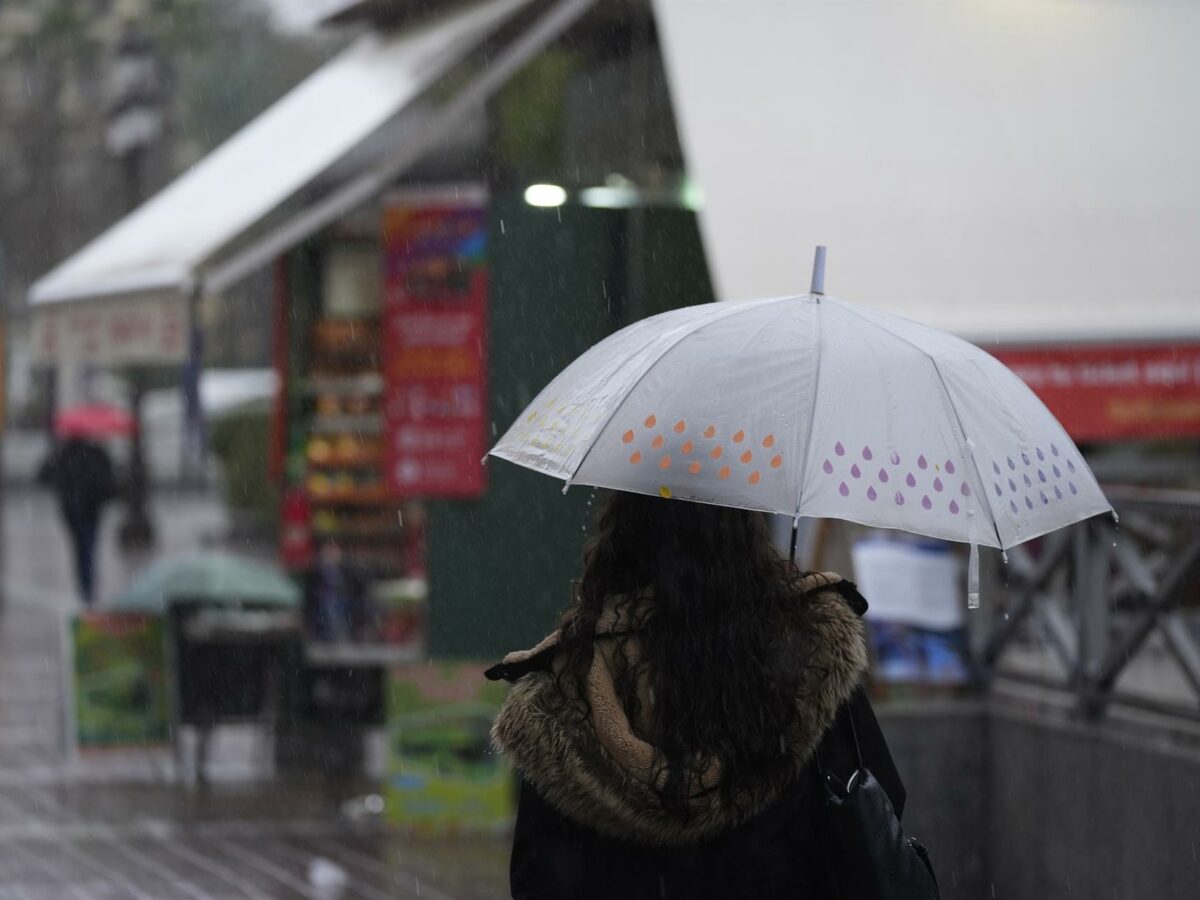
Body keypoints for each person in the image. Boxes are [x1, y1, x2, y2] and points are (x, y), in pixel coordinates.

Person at [487, 491, 906, 899]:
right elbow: (878, 814)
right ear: (749, 534)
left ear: (621, 537)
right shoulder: (809, 657)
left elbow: (538, 877)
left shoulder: (566, 691)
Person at [38, 437, 118, 606]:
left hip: (73, 510)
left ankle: (85, 585)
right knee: (87, 546)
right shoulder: (96, 453)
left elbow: (43, 476)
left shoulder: (64, 453)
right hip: (89, 510)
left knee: (80, 547)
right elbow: (110, 482)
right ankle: (87, 585)